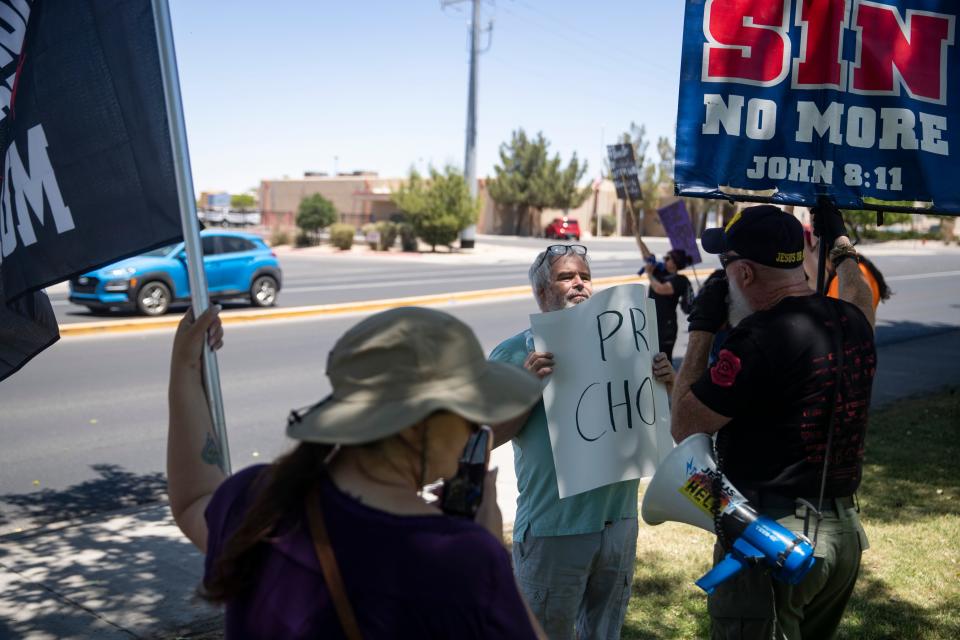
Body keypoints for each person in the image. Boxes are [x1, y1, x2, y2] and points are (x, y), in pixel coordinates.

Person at [167, 305, 547, 639]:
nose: (477, 426)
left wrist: (184, 367)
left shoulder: (259, 500)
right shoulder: (461, 558)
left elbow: (193, 500)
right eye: (470, 411)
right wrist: (491, 547)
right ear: (419, 425)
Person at [670, 205, 877, 640]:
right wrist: (840, 248)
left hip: (772, 538)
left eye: (727, 266)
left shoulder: (757, 340)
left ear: (745, 274)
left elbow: (684, 424)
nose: (723, 277)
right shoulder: (851, 322)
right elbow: (860, 299)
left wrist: (702, 330)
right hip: (841, 536)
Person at [489, 243, 676, 640]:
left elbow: (661, 423)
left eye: (585, 276)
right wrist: (526, 388)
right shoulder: (511, 354)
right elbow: (483, 438)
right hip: (554, 528)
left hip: (619, 522)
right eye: (566, 277)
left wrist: (666, 384)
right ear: (542, 292)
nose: (579, 284)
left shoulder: (627, 341)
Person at [802, 225, 891, 309]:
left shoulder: (843, 278)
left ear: (830, 255)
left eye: (821, 258)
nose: (823, 265)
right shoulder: (860, 266)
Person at [636, 238, 694, 359]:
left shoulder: (680, 280)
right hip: (651, 322)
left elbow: (660, 289)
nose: (664, 260)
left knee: (663, 361)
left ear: (675, 263)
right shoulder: (659, 271)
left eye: (668, 258)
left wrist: (650, 274)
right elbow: (646, 255)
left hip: (666, 328)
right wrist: (637, 234)